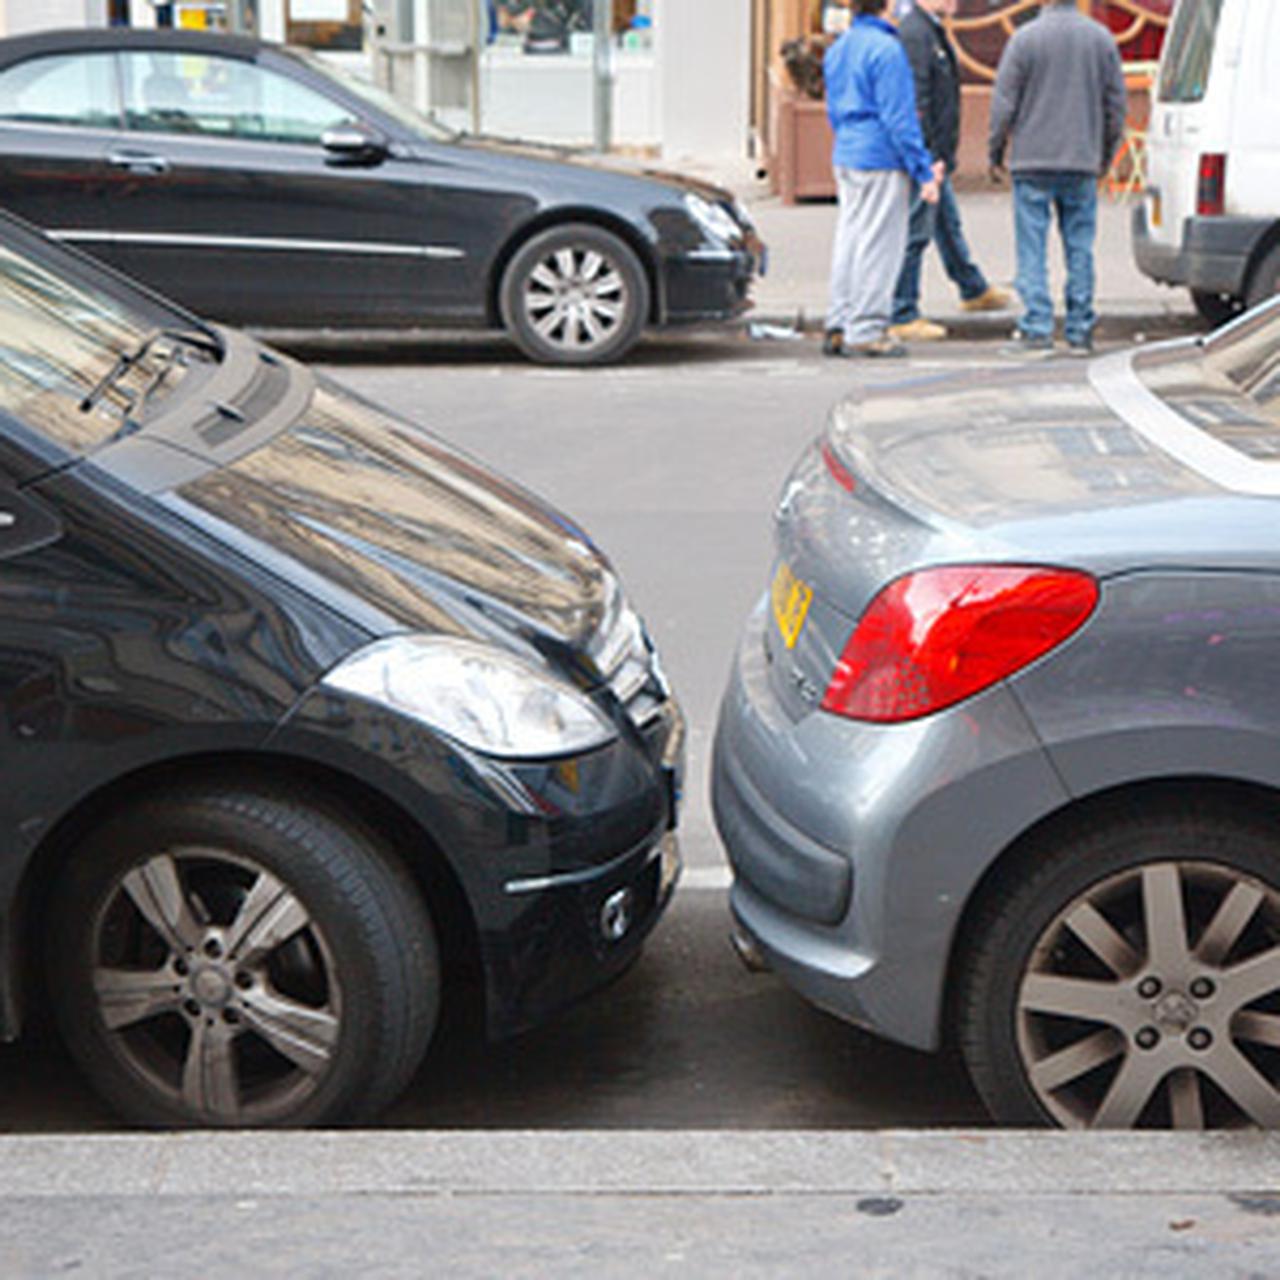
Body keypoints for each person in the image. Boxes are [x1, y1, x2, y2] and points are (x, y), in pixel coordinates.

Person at [988, 0, 1127, 356]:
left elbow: (1004, 103)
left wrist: (995, 151)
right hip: (1081, 158)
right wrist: (1105, 156)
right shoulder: (1101, 40)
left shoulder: (1024, 39)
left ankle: (1037, 328)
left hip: (1032, 160)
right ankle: (1080, 329)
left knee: (1031, 249)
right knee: (1080, 247)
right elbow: (1116, 107)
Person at [823, 0, 942, 359]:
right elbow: (899, 118)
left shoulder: (839, 47)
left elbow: (832, 108)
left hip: (847, 151)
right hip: (880, 156)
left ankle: (840, 321)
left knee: (850, 238)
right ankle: (866, 328)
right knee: (880, 245)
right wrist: (922, 170)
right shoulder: (888, 50)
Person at [888, 0, 1011, 342]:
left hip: (935, 154)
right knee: (916, 232)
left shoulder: (929, 28)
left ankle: (972, 289)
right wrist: (927, 158)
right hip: (926, 157)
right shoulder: (916, 32)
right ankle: (902, 310)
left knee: (946, 224)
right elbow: (917, 100)